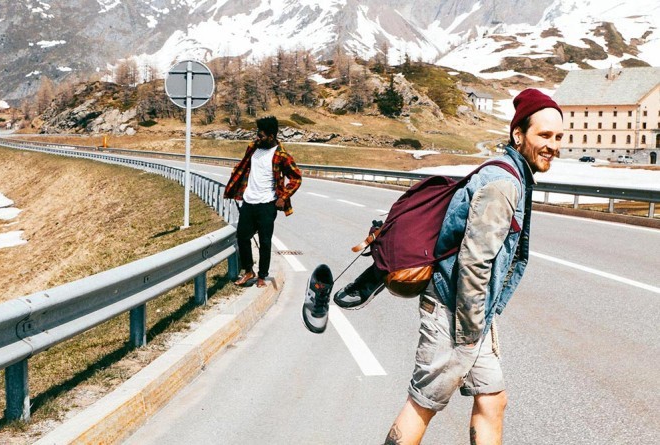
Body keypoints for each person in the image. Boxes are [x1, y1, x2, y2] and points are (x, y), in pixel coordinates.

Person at [333, 89, 563, 444]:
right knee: (423, 404)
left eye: (558, 137)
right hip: (454, 315)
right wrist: (470, 332)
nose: (553, 145)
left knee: (492, 400)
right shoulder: (503, 184)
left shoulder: (512, 176)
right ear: (519, 134)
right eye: (544, 135)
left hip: (471, 316)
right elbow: (475, 262)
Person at [224, 116, 302, 288]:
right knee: (242, 237)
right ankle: (249, 271)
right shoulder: (252, 148)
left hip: (267, 204)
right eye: (257, 135)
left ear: (272, 136)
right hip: (249, 201)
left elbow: (296, 178)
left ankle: (262, 276)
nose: (257, 138)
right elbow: (243, 168)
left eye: (261, 136)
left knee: (265, 241)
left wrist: (283, 197)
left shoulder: (281, 155)